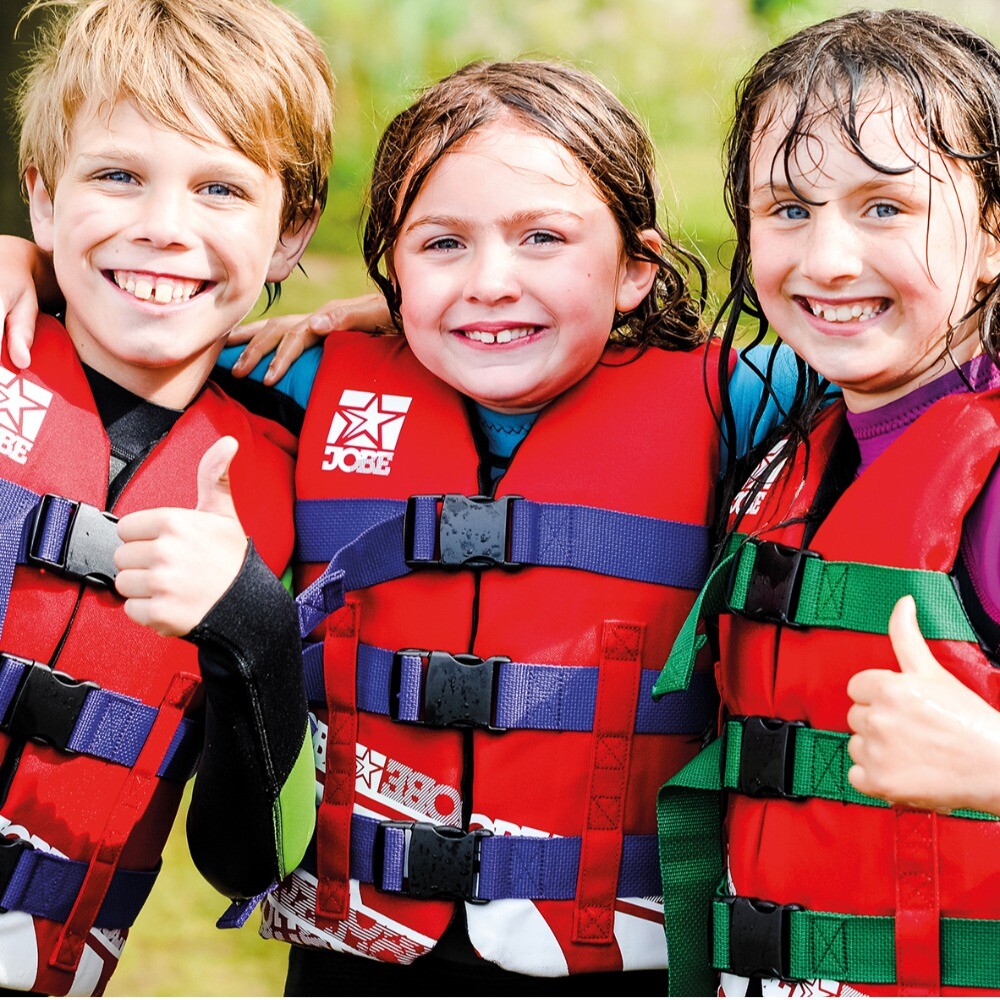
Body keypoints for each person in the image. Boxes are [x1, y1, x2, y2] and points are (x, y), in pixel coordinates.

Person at [654, 8, 1000, 997]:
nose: (829, 260)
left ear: (990, 238)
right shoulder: (791, 441)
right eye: (789, 209)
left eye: (883, 208)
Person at [0, 0, 333, 992]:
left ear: (289, 234)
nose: (163, 227)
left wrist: (252, 628)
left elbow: (247, 861)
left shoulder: (292, 467)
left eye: (221, 188)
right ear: (44, 198)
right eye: (117, 176)